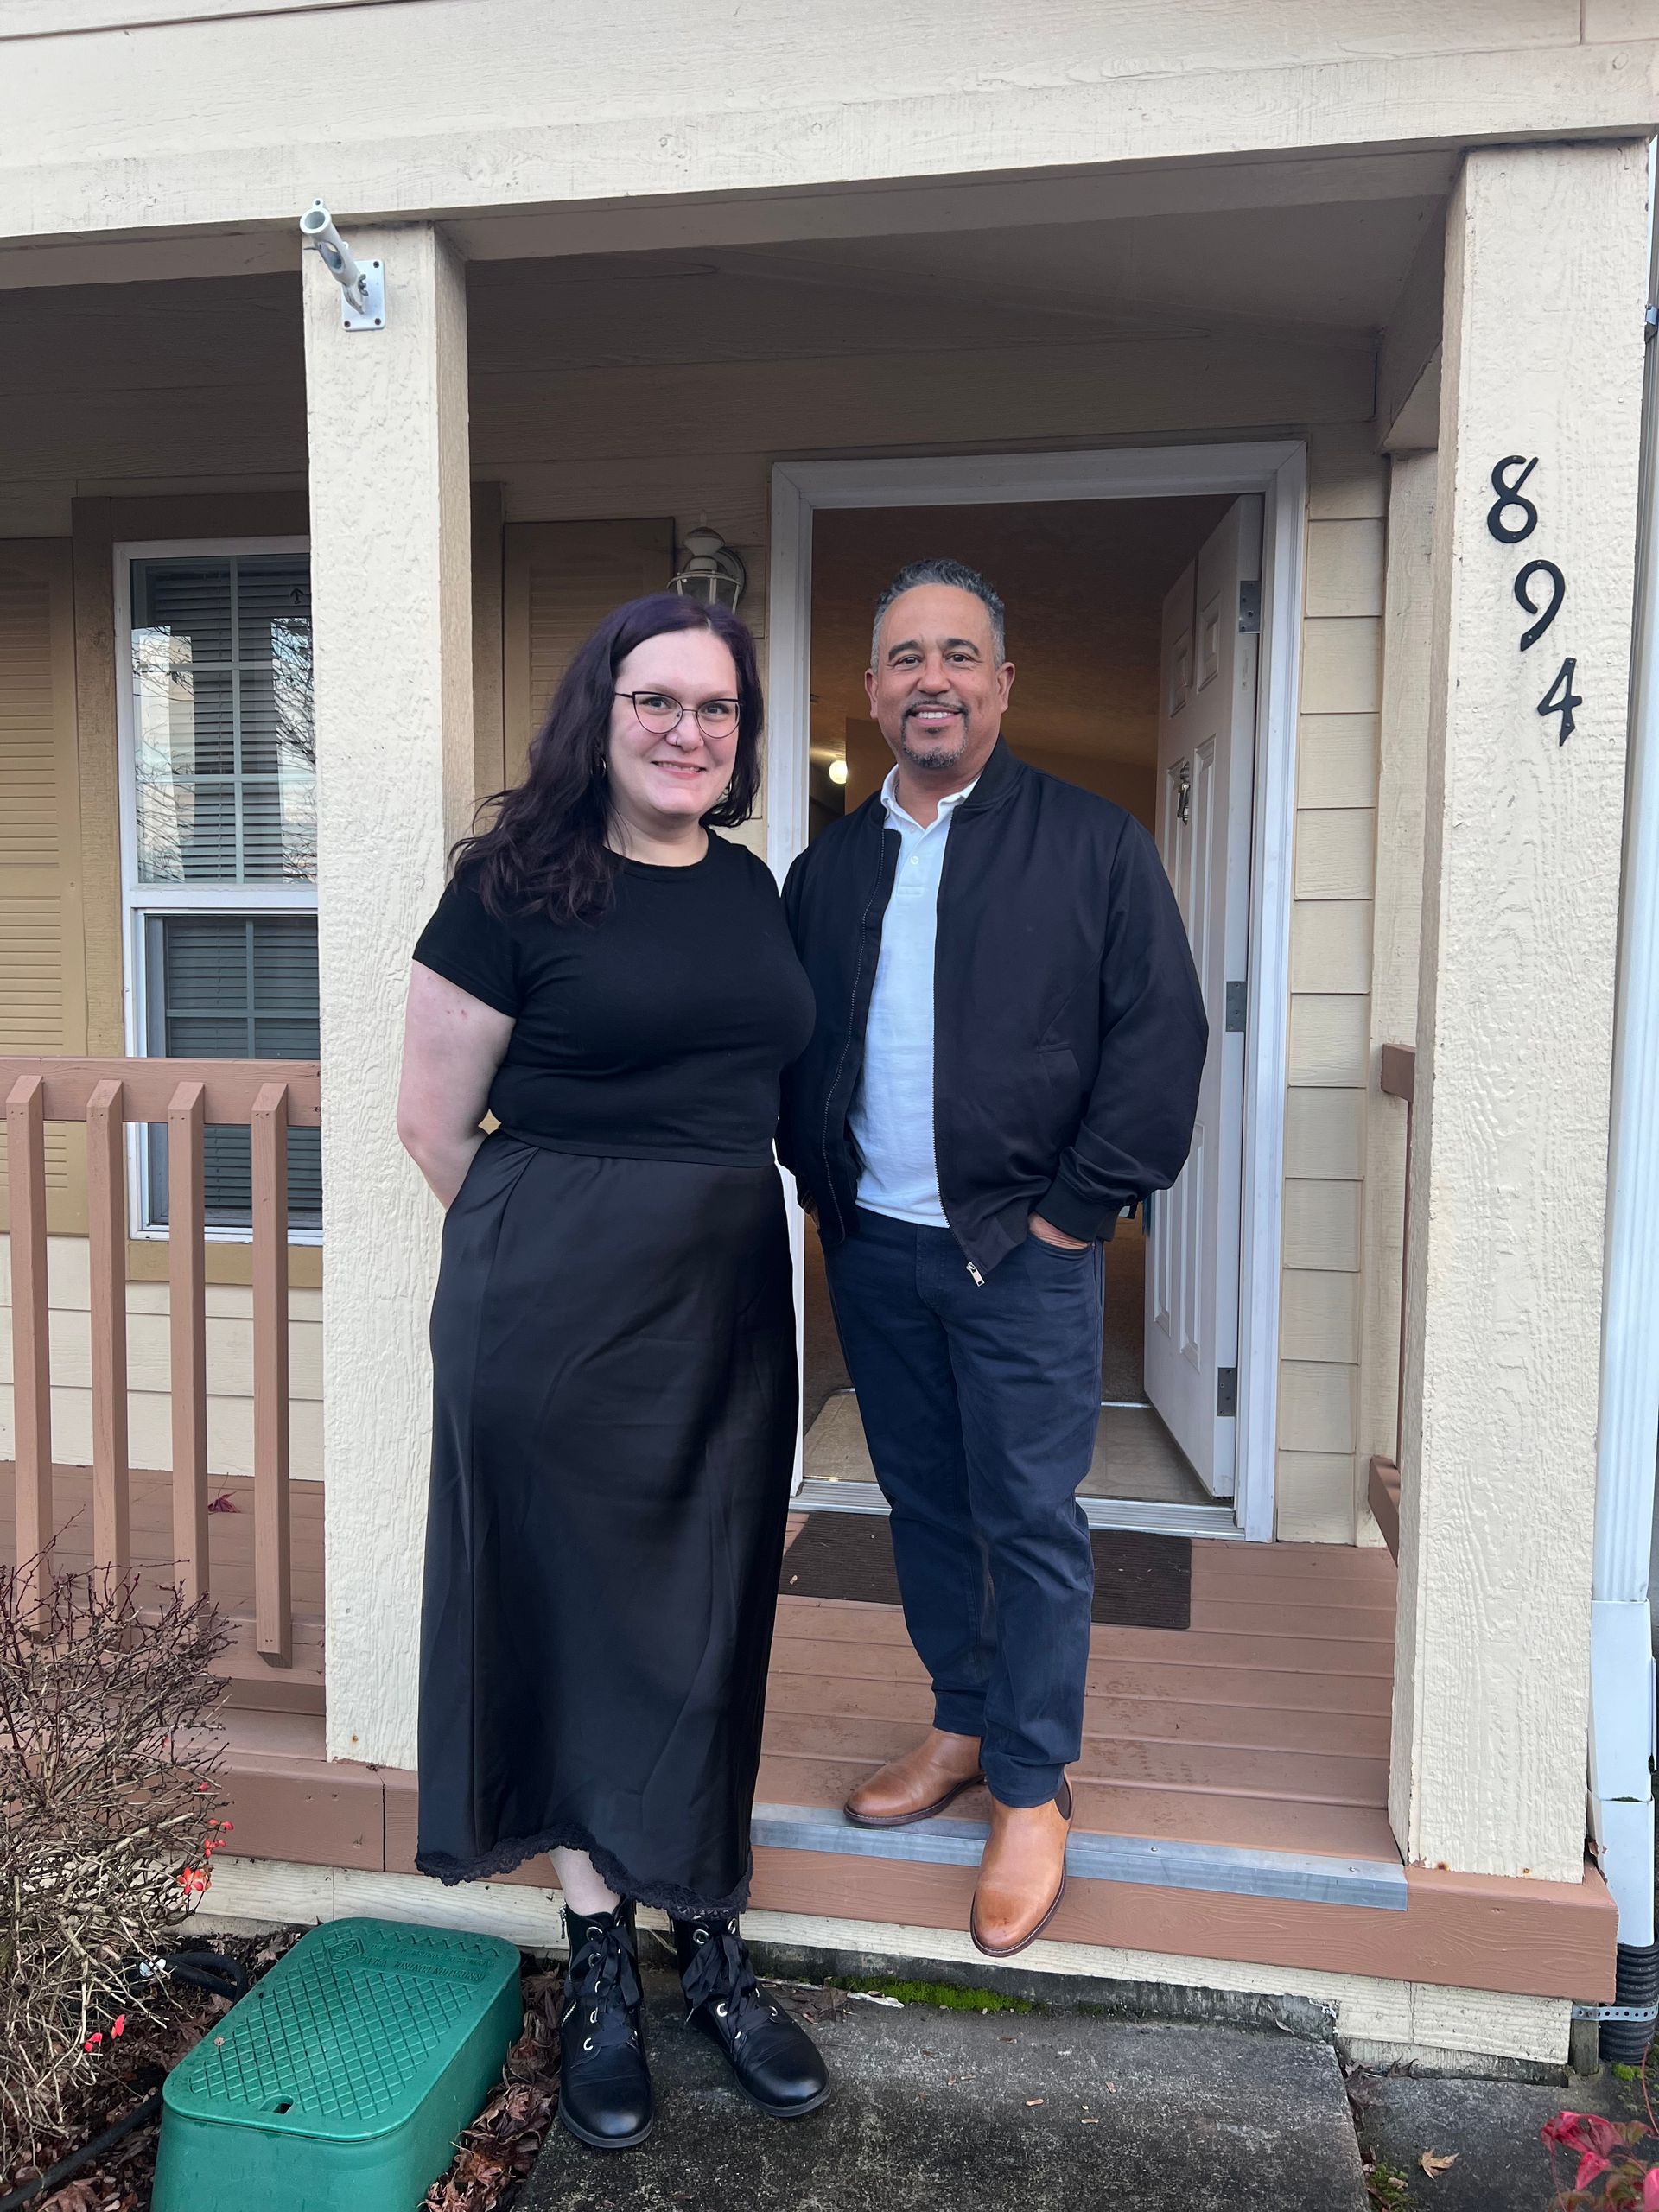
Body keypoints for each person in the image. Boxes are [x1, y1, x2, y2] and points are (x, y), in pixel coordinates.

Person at [397, 593, 828, 2151]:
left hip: (722, 1303)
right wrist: (560, 1252)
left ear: (743, 737)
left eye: (715, 710)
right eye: (656, 701)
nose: (685, 732)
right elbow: (433, 1127)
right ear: (603, 712)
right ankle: (601, 1973)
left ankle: (711, 1941)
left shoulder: (754, 889)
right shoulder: (510, 889)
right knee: (578, 1622)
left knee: (711, 1615)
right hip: (552, 1317)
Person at [779, 557, 1206, 1960]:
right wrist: (820, 1188)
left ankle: (1032, 1785)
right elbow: (795, 1050)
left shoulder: (1094, 845)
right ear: (873, 691)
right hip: (878, 1248)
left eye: (960, 656)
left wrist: (1076, 1215)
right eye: (906, 658)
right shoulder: (829, 867)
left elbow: (1160, 1045)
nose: (933, 682)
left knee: (1029, 1521)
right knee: (921, 1509)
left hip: (1021, 1252)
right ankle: (960, 1725)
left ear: (1002, 684)